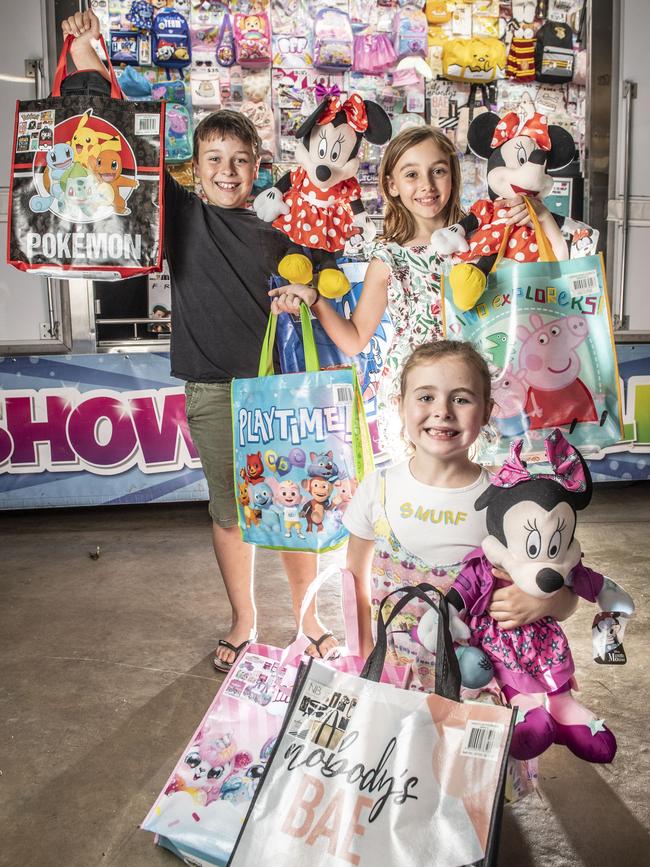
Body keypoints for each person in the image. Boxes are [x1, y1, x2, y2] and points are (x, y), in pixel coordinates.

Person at [61, 8, 338, 670]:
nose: (227, 170)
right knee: (230, 509)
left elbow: (327, 270)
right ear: (195, 165)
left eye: (241, 161)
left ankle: (310, 620)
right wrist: (81, 50)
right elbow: (115, 131)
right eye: (214, 159)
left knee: (290, 507)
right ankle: (245, 619)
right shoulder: (177, 213)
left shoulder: (283, 222)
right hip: (212, 389)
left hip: (280, 391)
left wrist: (310, 287)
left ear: (258, 167)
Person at [270, 125, 549, 458]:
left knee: (480, 492)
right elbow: (355, 338)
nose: (426, 186)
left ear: (453, 176)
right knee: (418, 498)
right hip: (412, 397)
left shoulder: (484, 240)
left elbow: (538, 287)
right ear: (392, 184)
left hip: (476, 392)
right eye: (411, 174)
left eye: (438, 171)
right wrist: (316, 300)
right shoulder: (388, 257)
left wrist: (542, 219)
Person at [341, 340, 579, 691]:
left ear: (486, 412)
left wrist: (543, 603)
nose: (443, 411)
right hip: (392, 674)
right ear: (400, 406)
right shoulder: (379, 488)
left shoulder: (508, 499)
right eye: (425, 397)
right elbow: (354, 584)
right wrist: (363, 660)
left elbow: (568, 591)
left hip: (477, 680)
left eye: (461, 398)